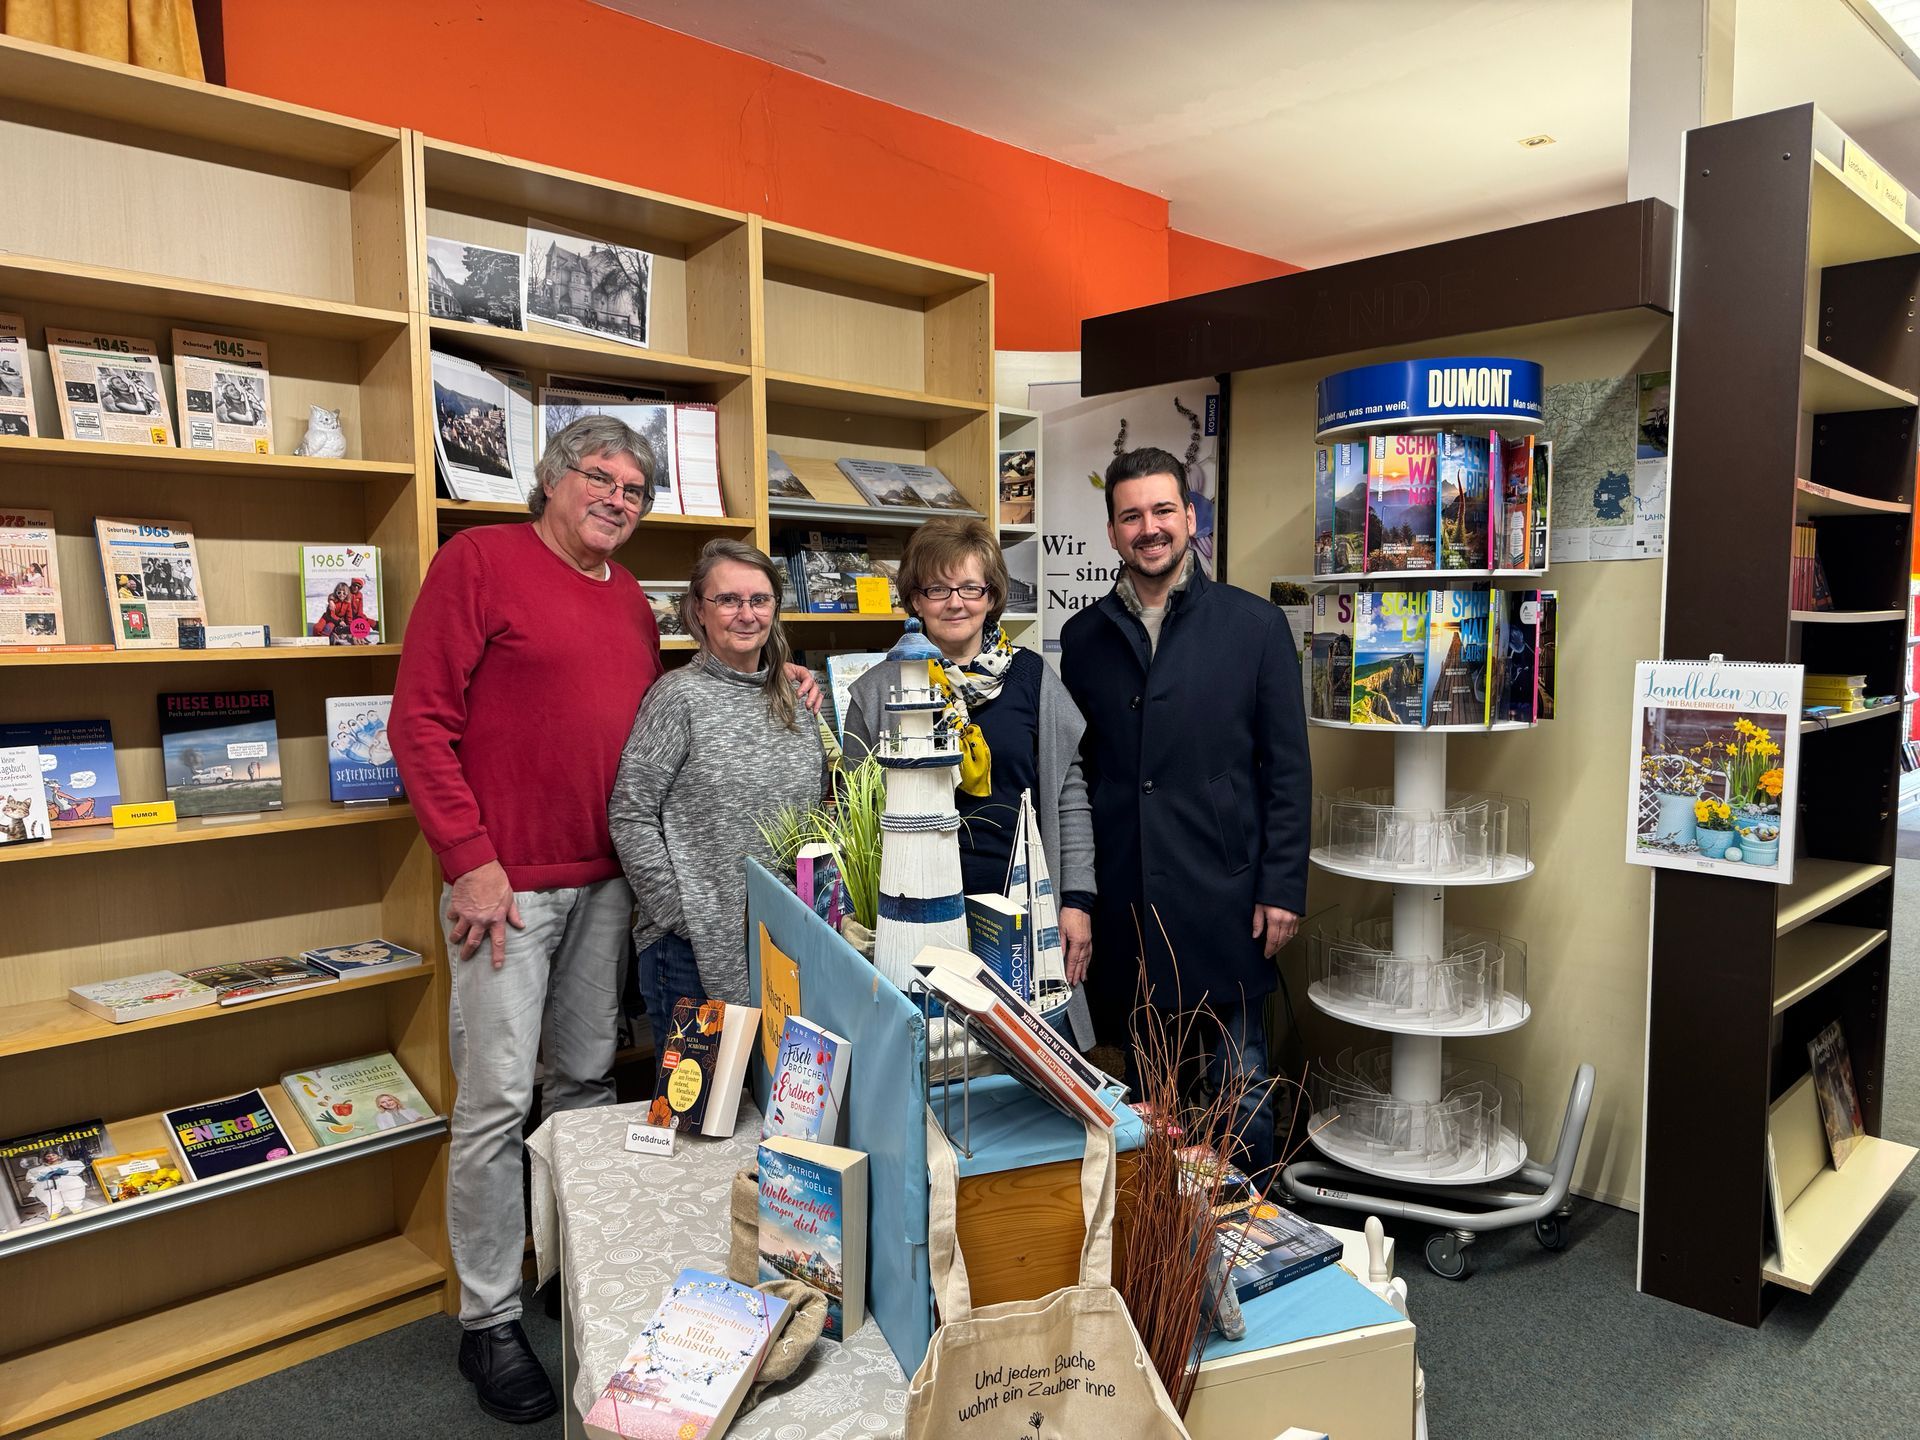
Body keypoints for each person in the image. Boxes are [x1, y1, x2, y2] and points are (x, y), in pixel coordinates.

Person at [388, 414, 666, 1425]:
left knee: (585, 1083)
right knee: (498, 1102)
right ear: (551, 479)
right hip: (503, 891)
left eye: (635, 490)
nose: (618, 500)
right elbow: (418, 723)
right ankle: (489, 1320)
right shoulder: (479, 562)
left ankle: (569, 1269)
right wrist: (469, 862)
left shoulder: (629, 596)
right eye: (601, 477)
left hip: (605, 882)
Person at [1059, 446, 1310, 1176]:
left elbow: (1288, 770)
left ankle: (1251, 1224)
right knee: (1148, 1096)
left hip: (1227, 892)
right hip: (1128, 895)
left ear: (1190, 518)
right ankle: (1162, 1228)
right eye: (1131, 516)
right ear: (1112, 531)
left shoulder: (1255, 626)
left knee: (1241, 1083)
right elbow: (1080, 772)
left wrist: (1282, 886)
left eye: (1163, 510)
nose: (1150, 528)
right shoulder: (1083, 639)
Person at [842, 517, 1095, 995]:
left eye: (970, 588)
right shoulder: (876, 693)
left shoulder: (1033, 678)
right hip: (912, 915)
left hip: (1019, 910)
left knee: (1026, 1036)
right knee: (930, 1032)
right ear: (915, 600)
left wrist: (1076, 901)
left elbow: (1069, 794)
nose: (955, 602)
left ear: (991, 596)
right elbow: (854, 817)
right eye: (937, 589)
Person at [609, 540, 827, 1015]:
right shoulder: (677, 696)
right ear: (698, 611)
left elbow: (815, 811)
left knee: (770, 1066)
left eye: (759, 600)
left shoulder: (795, 697)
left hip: (782, 943)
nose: (746, 614)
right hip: (689, 952)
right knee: (710, 1071)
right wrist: (683, 916)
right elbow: (630, 813)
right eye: (728, 600)